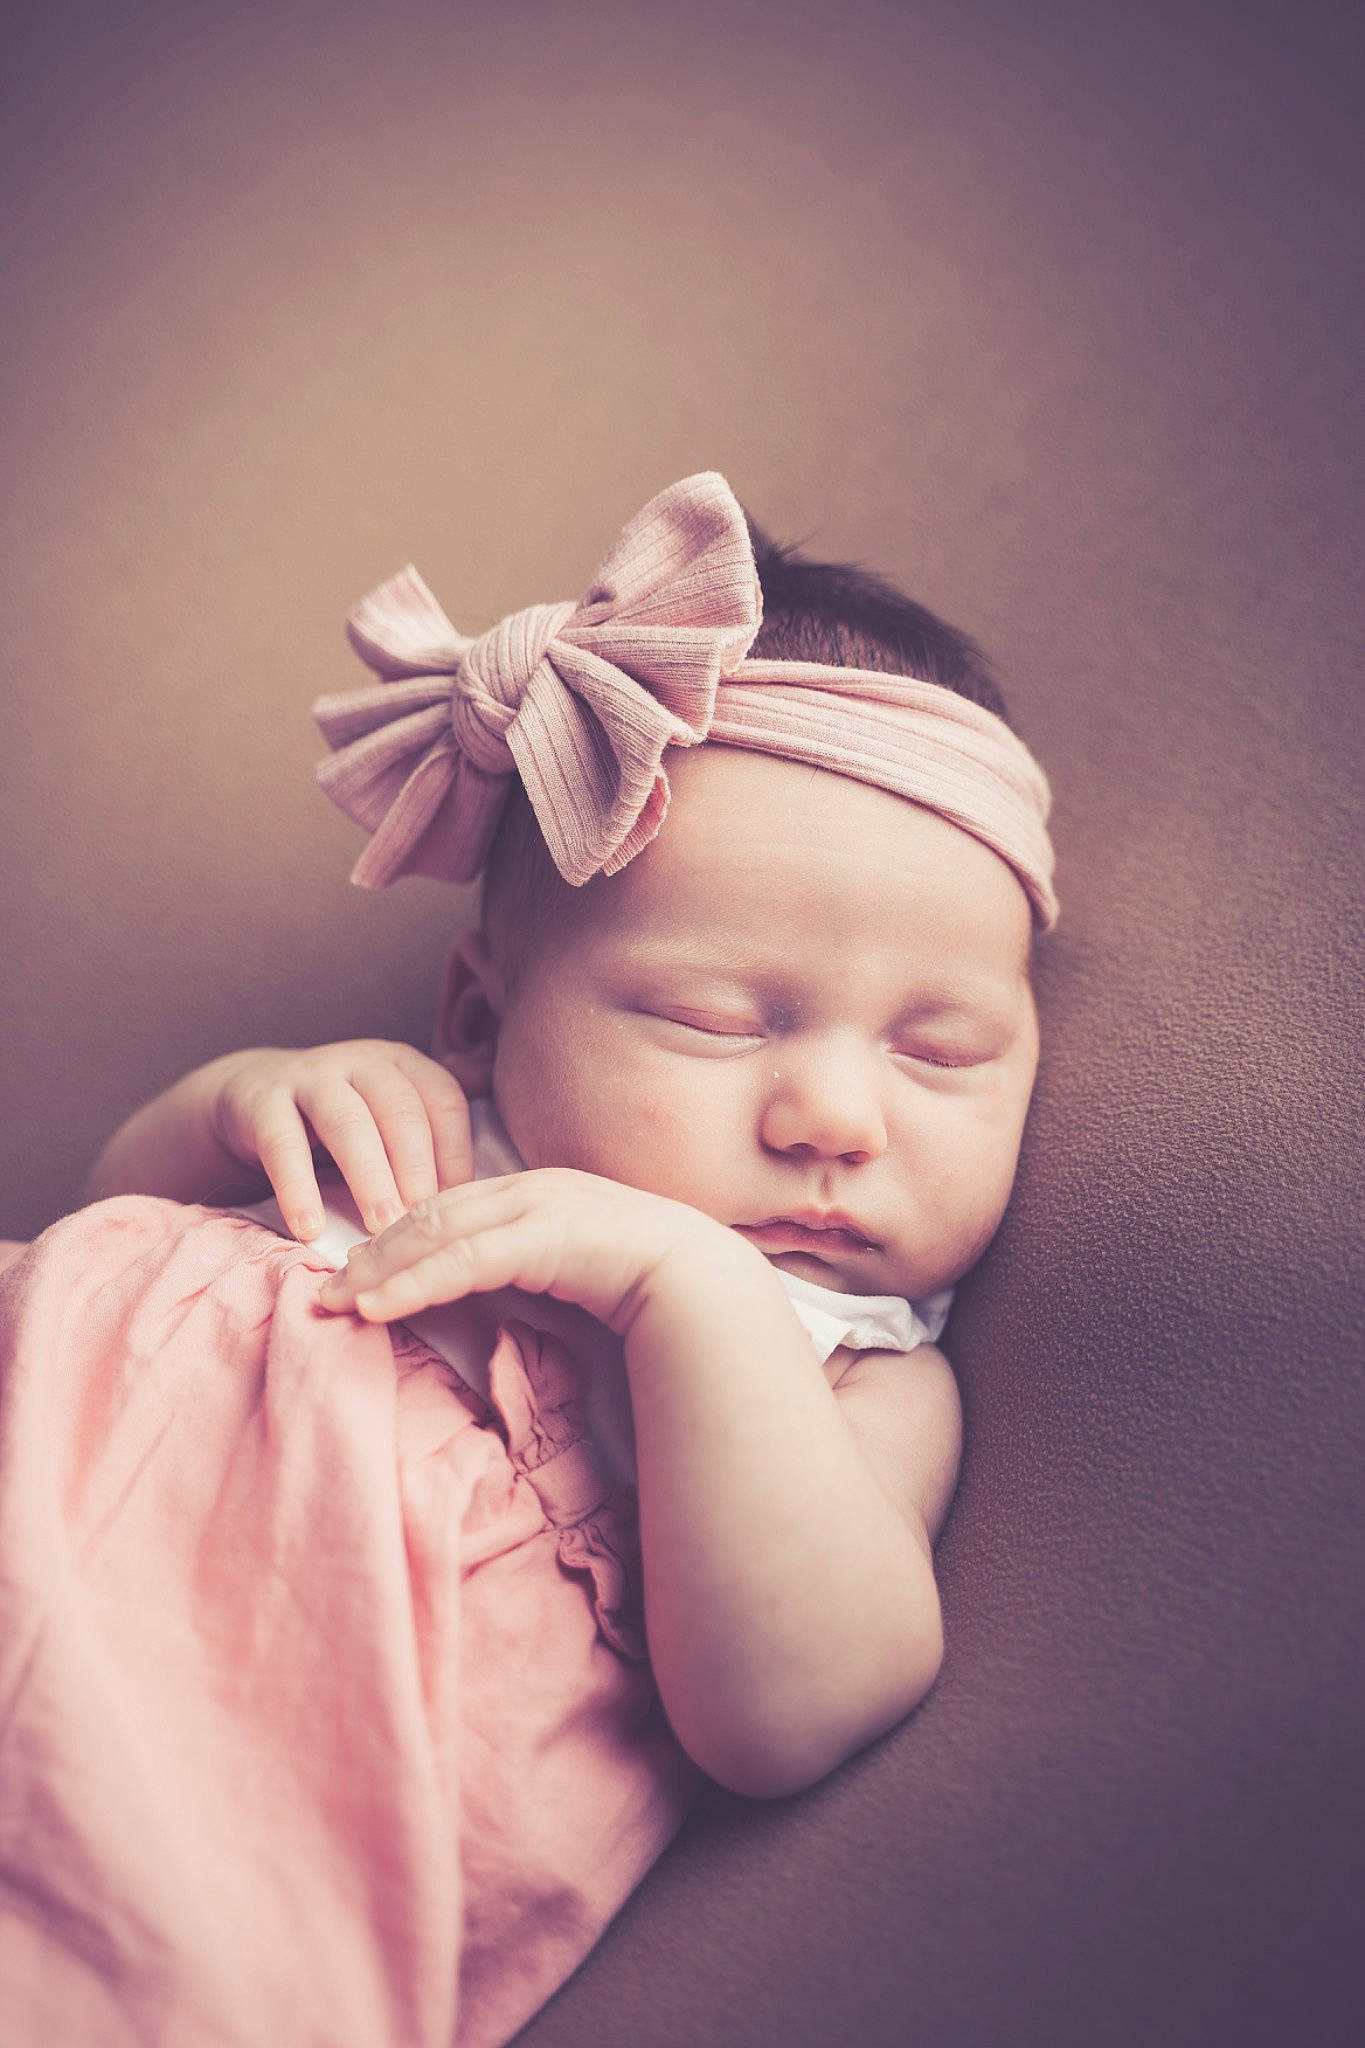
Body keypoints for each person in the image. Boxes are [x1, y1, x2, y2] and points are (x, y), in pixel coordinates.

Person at [0, 472, 1057, 2048]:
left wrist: (688, 1294)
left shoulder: (857, 1373)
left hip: (227, 1774)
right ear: (482, 1019)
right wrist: (226, 1114)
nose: (836, 1117)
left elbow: (788, 1711)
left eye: (940, 1050)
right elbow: (99, 1284)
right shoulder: (404, 1134)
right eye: (717, 1020)